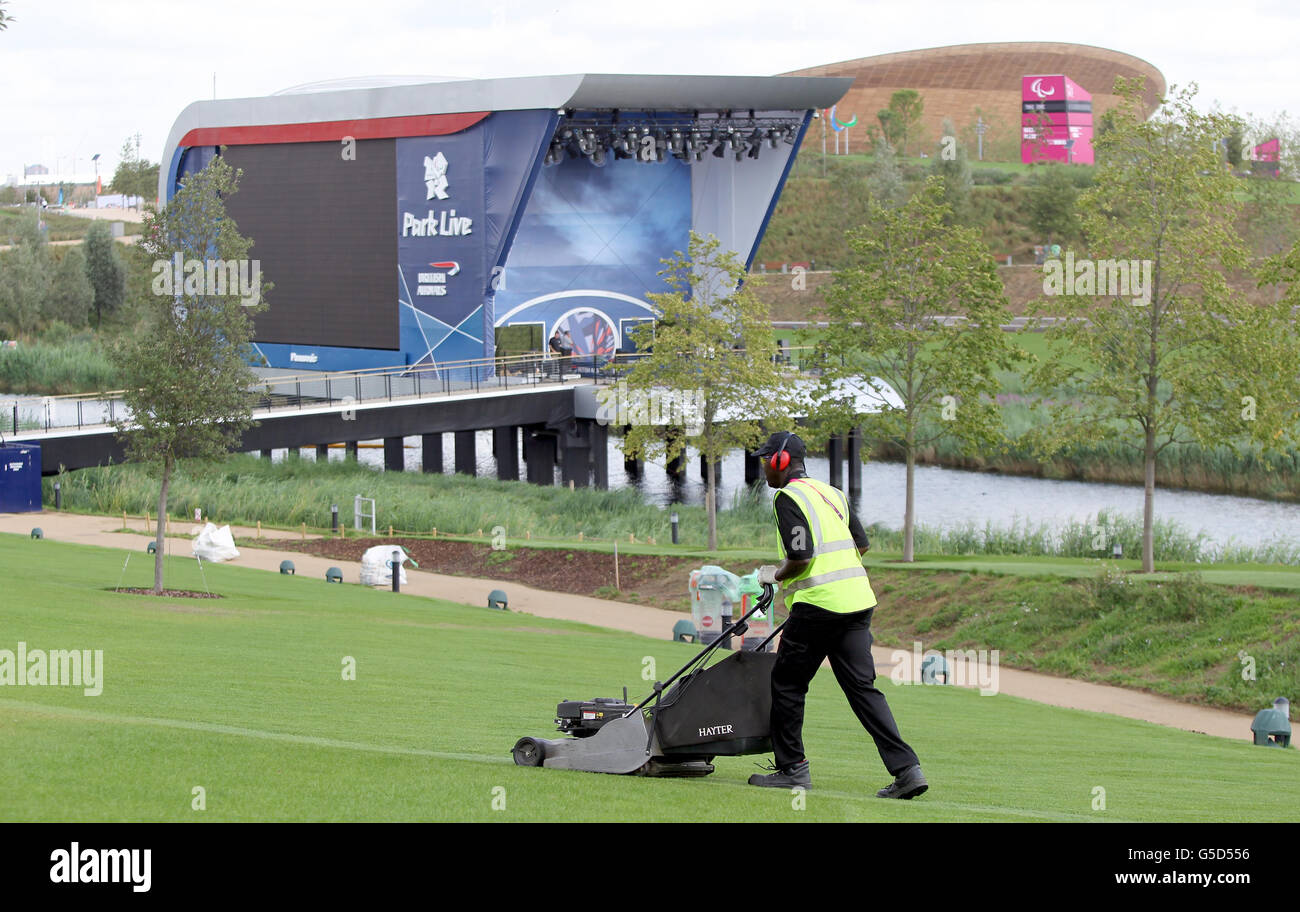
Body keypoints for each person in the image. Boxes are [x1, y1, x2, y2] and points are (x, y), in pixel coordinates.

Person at [748, 430, 927, 798]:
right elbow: (861, 543)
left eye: (767, 460)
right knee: (863, 689)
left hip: (818, 606)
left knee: (787, 684)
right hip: (858, 603)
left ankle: (792, 770)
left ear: (782, 462)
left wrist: (774, 575)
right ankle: (908, 771)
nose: (764, 467)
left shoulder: (787, 498)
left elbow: (801, 556)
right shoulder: (833, 494)